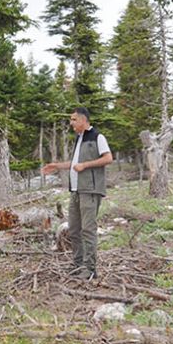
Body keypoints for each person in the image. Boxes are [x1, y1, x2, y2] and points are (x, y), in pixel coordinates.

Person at [41, 107, 113, 281]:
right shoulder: (78, 139)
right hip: (75, 191)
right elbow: (75, 164)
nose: (71, 123)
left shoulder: (97, 137)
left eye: (74, 120)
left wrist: (86, 165)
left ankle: (90, 269)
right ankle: (78, 264)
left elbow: (108, 158)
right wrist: (57, 166)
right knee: (74, 229)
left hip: (90, 190)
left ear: (83, 120)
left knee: (88, 229)